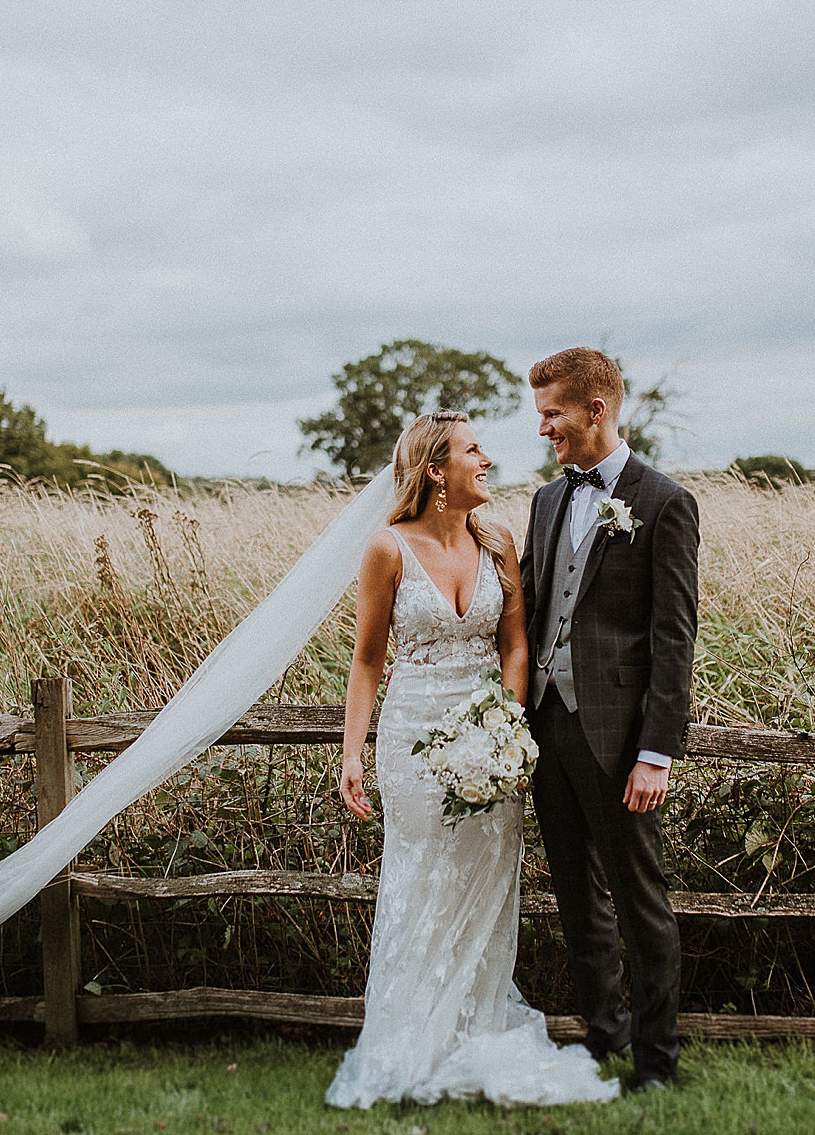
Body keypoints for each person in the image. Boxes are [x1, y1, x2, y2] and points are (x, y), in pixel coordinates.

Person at [325, 411, 619, 1109]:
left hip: (489, 740)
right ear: (435, 470)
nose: (487, 459)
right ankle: (412, 1037)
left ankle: (475, 1027)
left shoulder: (499, 542)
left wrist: (505, 727)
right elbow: (367, 661)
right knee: (423, 880)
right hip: (414, 738)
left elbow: (516, 646)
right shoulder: (386, 549)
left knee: (487, 890)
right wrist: (352, 754)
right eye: (472, 450)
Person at [521, 347, 699, 1090]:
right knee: (575, 895)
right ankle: (603, 1037)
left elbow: (672, 635)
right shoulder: (545, 501)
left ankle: (656, 1062)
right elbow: (532, 612)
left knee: (640, 901)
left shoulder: (663, 501)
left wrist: (656, 750)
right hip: (547, 727)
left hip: (621, 739)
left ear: (596, 410)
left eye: (552, 413)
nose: (544, 430)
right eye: (540, 415)